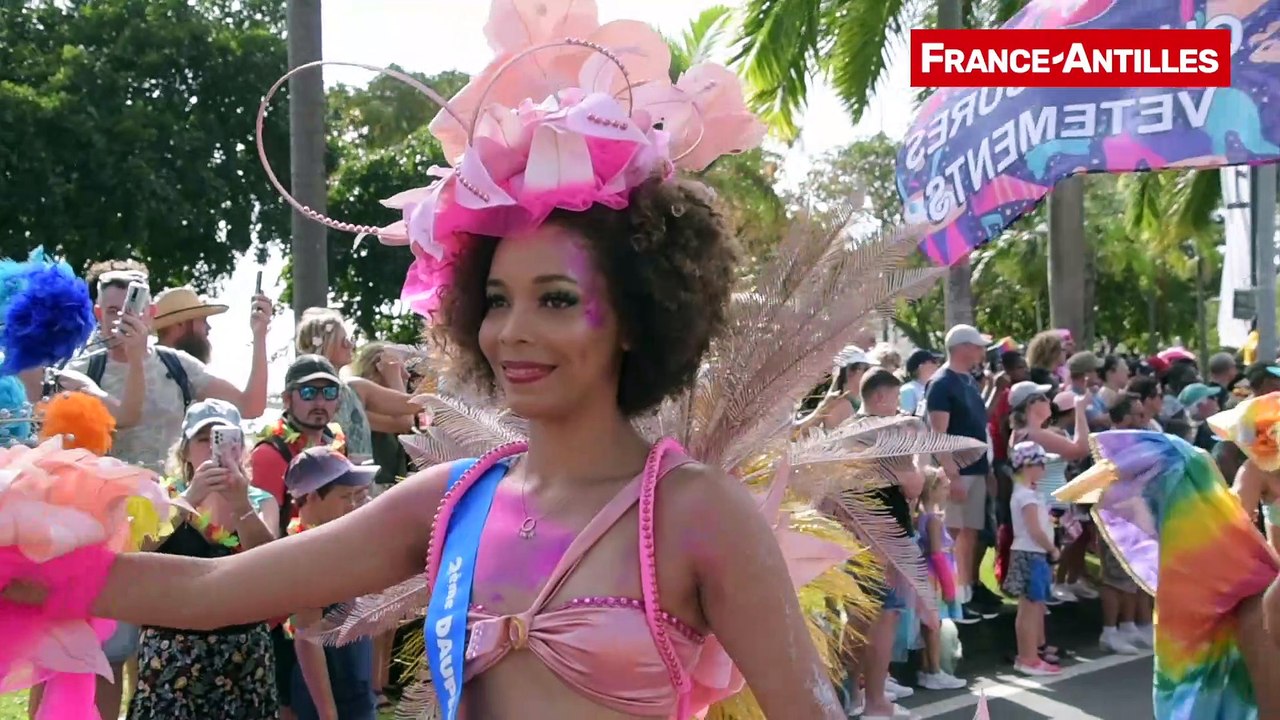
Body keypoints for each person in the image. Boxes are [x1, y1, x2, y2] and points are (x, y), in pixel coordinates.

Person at [0, 6, 855, 717]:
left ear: (637, 318)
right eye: (496, 299)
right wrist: (30, 566)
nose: (512, 331)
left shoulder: (695, 512)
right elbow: (207, 593)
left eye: (557, 299)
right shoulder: (452, 502)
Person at [127, 399, 279, 720]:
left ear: (242, 448)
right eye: (202, 439)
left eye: (224, 439)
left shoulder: (260, 501)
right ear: (184, 451)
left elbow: (271, 562)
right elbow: (138, 548)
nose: (213, 448)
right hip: (171, 651)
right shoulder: (162, 497)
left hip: (242, 651)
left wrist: (241, 506)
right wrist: (190, 498)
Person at [284, 447, 380, 720]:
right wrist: (328, 713)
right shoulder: (306, 554)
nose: (353, 505)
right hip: (330, 696)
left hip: (356, 685)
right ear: (312, 497)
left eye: (355, 496)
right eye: (345, 497)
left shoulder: (339, 542)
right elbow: (307, 639)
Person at [927, 324, 996, 622]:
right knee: (950, 536)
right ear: (962, 347)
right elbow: (937, 435)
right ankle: (947, 600)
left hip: (976, 470)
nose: (981, 351)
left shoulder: (967, 380)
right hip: (958, 472)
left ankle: (963, 596)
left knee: (969, 534)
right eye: (977, 346)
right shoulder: (941, 383)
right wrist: (952, 475)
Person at [1002, 441, 1061, 677]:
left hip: (1033, 554)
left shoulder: (1029, 493)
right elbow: (1035, 530)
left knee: (1034, 607)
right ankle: (1028, 658)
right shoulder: (1025, 496)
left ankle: (1031, 655)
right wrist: (1052, 549)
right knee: (1028, 608)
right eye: (1041, 464)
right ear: (1028, 466)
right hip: (1030, 553)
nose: (1044, 469)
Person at [915, 469, 967, 691]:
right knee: (934, 625)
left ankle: (926, 668)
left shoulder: (921, 518)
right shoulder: (933, 521)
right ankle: (935, 671)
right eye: (944, 487)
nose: (947, 492)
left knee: (927, 625)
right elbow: (937, 555)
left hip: (926, 576)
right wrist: (949, 587)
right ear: (932, 490)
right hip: (934, 579)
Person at [152, 286, 229, 364]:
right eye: (203, 320)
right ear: (181, 323)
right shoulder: (153, 367)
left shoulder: (151, 363)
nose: (208, 327)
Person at [900, 349, 940, 416]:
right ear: (921, 366)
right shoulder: (907, 390)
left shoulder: (936, 388)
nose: (937, 365)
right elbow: (906, 417)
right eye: (933, 362)